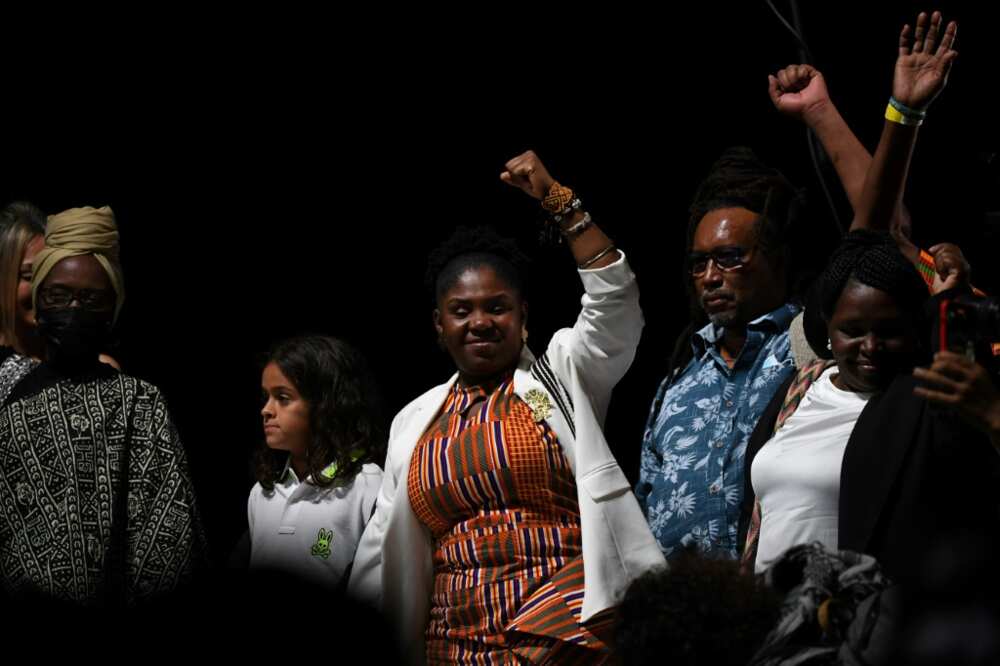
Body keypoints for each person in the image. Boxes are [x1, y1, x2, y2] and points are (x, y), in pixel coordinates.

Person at [349, 151, 665, 664]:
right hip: (452, 646)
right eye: (461, 310)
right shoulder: (414, 420)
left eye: (496, 307)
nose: (479, 321)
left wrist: (560, 202)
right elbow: (380, 546)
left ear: (522, 315)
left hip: (566, 637)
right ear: (438, 324)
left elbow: (615, 305)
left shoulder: (562, 370)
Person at [741, 12, 1000, 581]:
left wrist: (902, 114)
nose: (870, 344)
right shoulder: (802, 388)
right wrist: (824, 112)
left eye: (888, 328)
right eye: (853, 329)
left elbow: (875, 229)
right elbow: (872, 234)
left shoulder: (942, 365)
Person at [0, 205, 206, 605]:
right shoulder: (11, 406)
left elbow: (167, 540)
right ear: (40, 300)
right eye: (58, 295)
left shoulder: (139, 403)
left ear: (112, 308)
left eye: (91, 298)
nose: (73, 310)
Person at [637, 146, 810, 559]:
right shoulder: (679, 379)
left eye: (729, 258)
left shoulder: (808, 346)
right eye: (699, 264)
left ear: (776, 258)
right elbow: (647, 490)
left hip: (777, 600)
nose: (710, 277)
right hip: (683, 608)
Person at [248, 335, 384, 589]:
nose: (266, 410)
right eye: (266, 397)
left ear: (325, 405)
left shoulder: (367, 484)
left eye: (283, 398)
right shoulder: (261, 493)